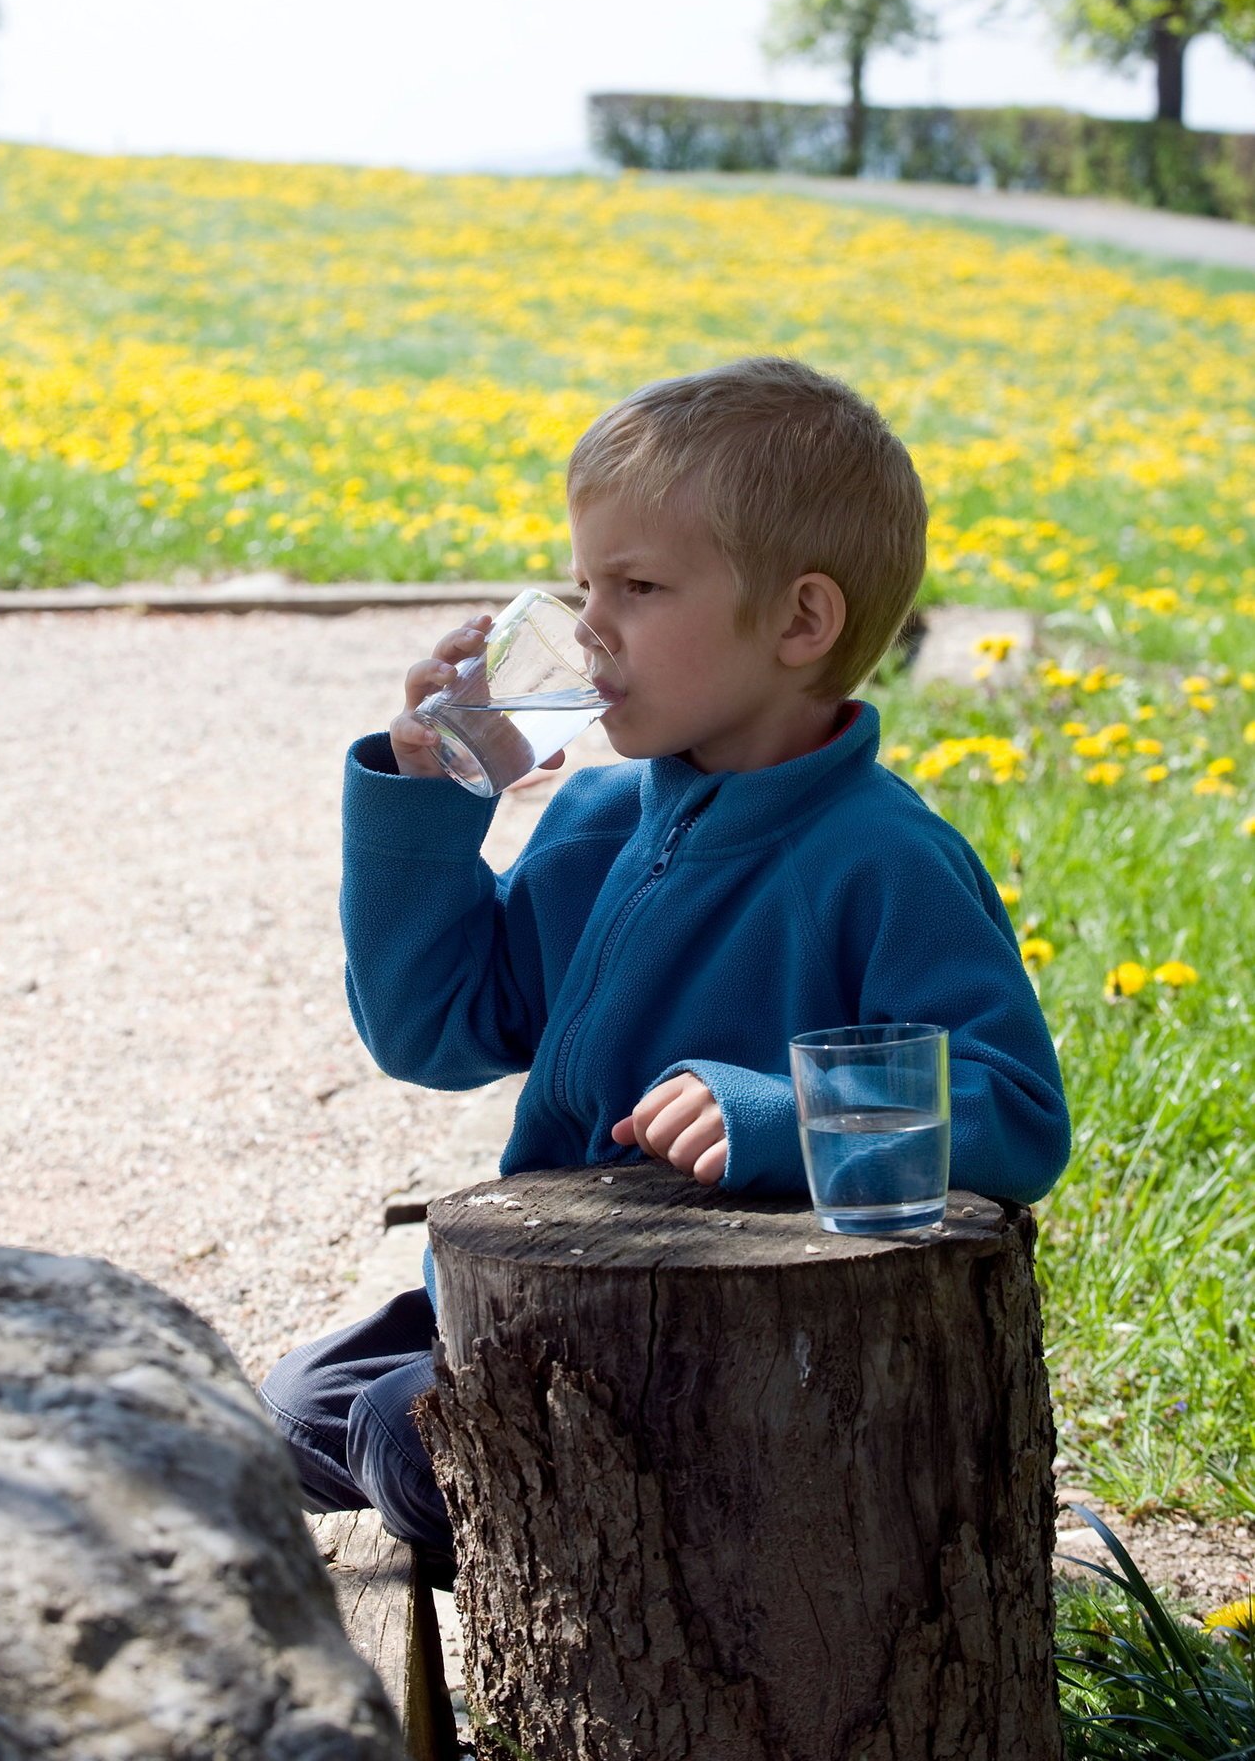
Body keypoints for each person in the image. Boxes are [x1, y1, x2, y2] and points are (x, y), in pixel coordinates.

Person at [259, 356, 1070, 1579]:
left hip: (740, 1342)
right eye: (584, 584)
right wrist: (422, 801)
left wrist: (782, 1110)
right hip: (545, 1298)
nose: (586, 630)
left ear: (800, 621)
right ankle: (499, 1467)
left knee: (389, 1430)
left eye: (634, 587)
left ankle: (528, 1489)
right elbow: (431, 1030)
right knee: (295, 1398)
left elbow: (1016, 1113)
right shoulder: (598, 822)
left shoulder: (884, 860)